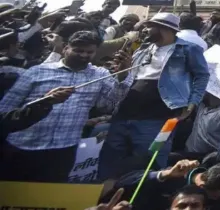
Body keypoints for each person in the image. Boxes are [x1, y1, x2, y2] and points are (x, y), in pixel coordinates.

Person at [0, 31, 132, 182]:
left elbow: (109, 105)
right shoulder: (37, 71)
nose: (84, 55)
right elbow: (6, 107)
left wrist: (123, 75)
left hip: (64, 149)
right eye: (78, 50)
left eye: (90, 52)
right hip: (22, 145)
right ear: (65, 48)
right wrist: (45, 100)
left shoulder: (99, 74)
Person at [99, 13, 210, 181]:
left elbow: (202, 76)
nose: (145, 30)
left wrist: (193, 102)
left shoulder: (188, 49)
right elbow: (130, 76)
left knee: (150, 160)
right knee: (111, 158)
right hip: (125, 111)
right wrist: (123, 69)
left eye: (149, 27)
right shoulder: (143, 49)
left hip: (159, 114)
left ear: (164, 29)